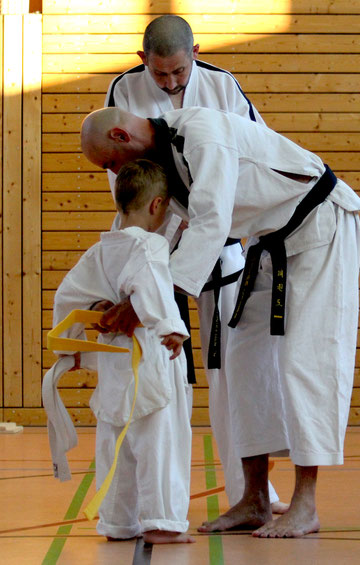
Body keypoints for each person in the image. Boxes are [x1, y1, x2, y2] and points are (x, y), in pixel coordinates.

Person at [80, 105, 360, 538]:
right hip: (270, 241)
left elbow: (211, 222)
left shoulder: (201, 135)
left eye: (109, 162)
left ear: (121, 137)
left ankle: (305, 505)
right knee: (243, 363)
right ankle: (255, 499)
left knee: (305, 361)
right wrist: (119, 294)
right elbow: (152, 234)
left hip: (321, 226)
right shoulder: (161, 164)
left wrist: (146, 306)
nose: (114, 171)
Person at [104, 14, 287, 514]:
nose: (171, 83)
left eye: (179, 72)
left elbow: (259, 155)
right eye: (160, 74)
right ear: (143, 61)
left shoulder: (224, 87)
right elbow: (121, 178)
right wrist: (161, 234)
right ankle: (160, 499)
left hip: (224, 243)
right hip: (155, 244)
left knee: (232, 371)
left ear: (195, 53)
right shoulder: (123, 90)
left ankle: (253, 493)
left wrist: (225, 220)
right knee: (165, 369)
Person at [53, 159, 194, 544]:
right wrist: (171, 327)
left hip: (114, 360)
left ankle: (117, 522)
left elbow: (68, 295)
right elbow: (151, 285)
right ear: (157, 206)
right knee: (160, 439)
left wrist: (72, 342)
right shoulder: (149, 245)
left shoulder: (101, 250)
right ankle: (162, 522)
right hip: (149, 355)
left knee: (115, 440)